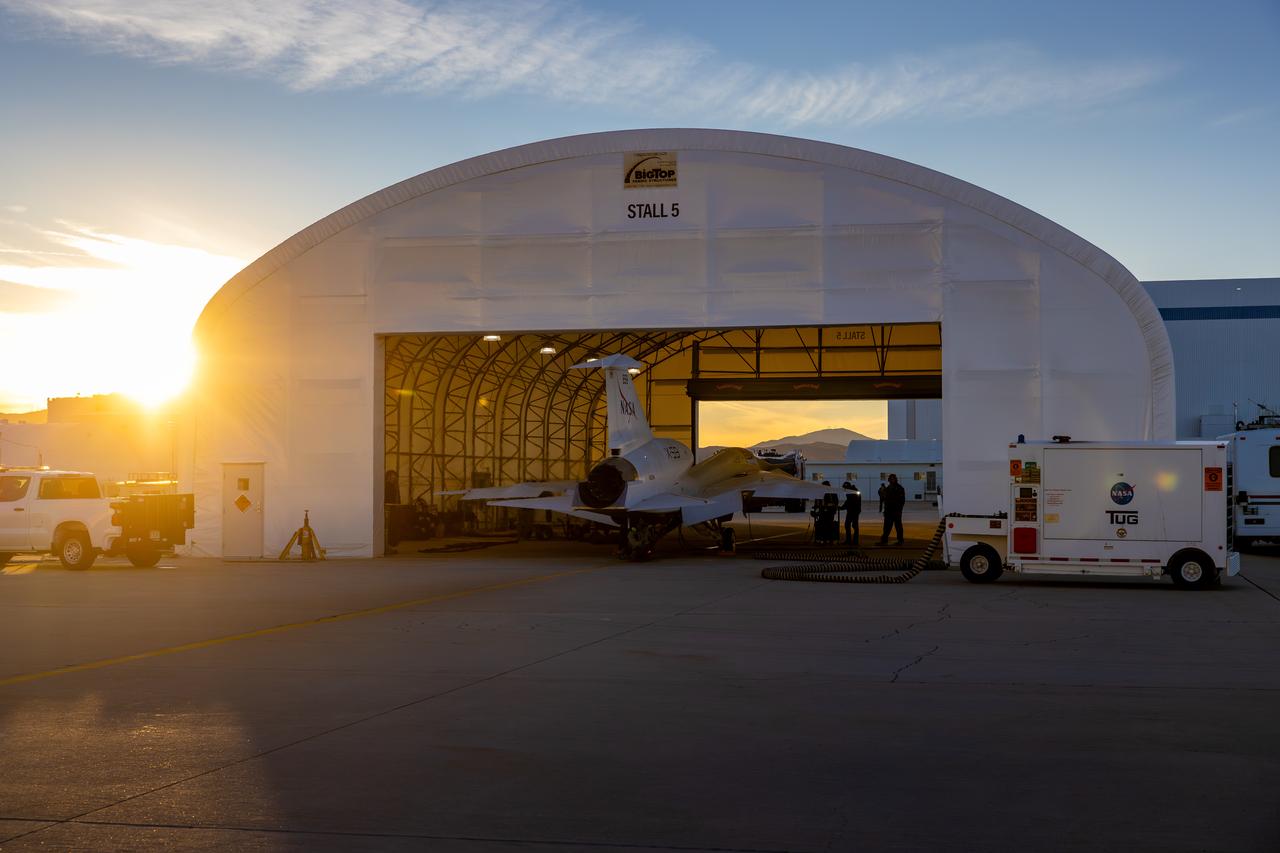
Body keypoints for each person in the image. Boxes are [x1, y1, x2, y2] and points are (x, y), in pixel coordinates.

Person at [878, 473, 906, 546]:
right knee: (887, 527)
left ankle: (900, 540)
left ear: (895, 479)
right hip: (889, 511)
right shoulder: (888, 488)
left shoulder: (899, 488)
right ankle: (884, 540)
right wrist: (881, 491)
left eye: (893, 479)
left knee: (898, 526)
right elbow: (884, 498)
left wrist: (899, 510)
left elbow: (902, 501)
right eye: (890, 479)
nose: (891, 480)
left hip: (896, 511)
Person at [841, 482, 861, 546]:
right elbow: (848, 501)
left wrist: (842, 507)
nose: (844, 490)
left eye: (844, 488)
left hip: (853, 511)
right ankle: (852, 541)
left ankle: (852, 541)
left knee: (850, 525)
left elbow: (849, 502)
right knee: (852, 525)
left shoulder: (852, 491)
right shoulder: (852, 490)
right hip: (854, 510)